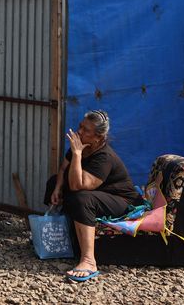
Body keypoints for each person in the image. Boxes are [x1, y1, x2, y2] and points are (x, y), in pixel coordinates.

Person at [47, 110, 142, 282]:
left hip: (121, 201)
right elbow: (63, 169)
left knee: (81, 198)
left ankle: (89, 261)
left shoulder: (104, 157)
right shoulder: (82, 143)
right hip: (99, 194)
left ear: (98, 137)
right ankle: (54, 238)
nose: (80, 132)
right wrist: (57, 188)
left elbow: (78, 186)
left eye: (86, 130)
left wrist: (77, 154)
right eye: (80, 127)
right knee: (54, 182)